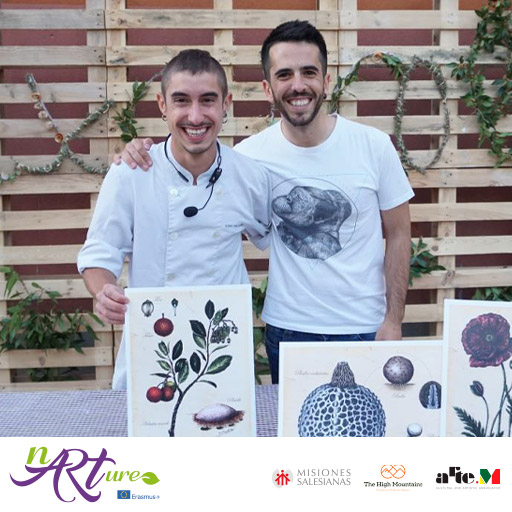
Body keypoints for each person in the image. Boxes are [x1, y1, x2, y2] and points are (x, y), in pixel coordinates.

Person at [118, 21, 414, 384]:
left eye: (309, 72)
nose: (298, 85)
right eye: (284, 74)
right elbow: (191, 174)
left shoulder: (373, 146)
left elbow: (399, 234)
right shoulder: (248, 159)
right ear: (267, 88)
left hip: (366, 326)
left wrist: (393, 320)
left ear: (327, 80)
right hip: (288, 330)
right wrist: (138, 153)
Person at [77, 49, 272, 390]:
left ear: (226, 105)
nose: (195, 116)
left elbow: (273, 236)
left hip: (222, 345)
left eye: (207, 100)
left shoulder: (249, 175)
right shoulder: (131, 173)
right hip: (151, 338)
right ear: (162, 105)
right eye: (181, 100)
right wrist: (104, 291)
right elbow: (100, 252)